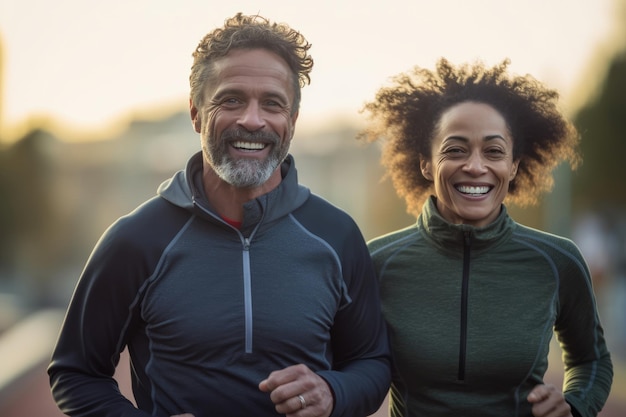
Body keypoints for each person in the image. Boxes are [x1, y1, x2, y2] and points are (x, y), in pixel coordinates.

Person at [48, 13, 391, 417]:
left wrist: (333, 392)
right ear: (196, 113)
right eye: (231, 100)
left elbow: (373, 363)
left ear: (292, 121)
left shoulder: (336, 235)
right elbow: (75, 373)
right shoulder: (135, 240)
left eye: (272, 103)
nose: (252, 119)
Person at [359, 58, 613, 417]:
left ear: (513, 166)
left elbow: (592, 359)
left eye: (493, 151)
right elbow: (351, 365)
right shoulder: (376, 262)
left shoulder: (558, 261)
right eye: (456, 149)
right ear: (426, 163)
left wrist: (574, 405)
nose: (476, 166)